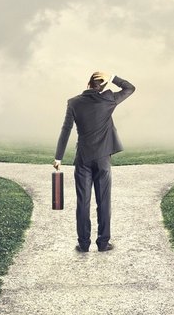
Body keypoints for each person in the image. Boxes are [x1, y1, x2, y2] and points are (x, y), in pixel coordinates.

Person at [53, 71, 136, 253]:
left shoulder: (73, 102)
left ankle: (83, 244)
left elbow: (66, 130)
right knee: (103, 201)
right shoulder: (108, 99)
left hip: (83, 158)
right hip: (103, 158)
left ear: (88, 83)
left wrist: (58, 157)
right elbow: (130, 88)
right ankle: (103, 243)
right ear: (104, 85)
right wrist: (113, 76)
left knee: (83, 202)